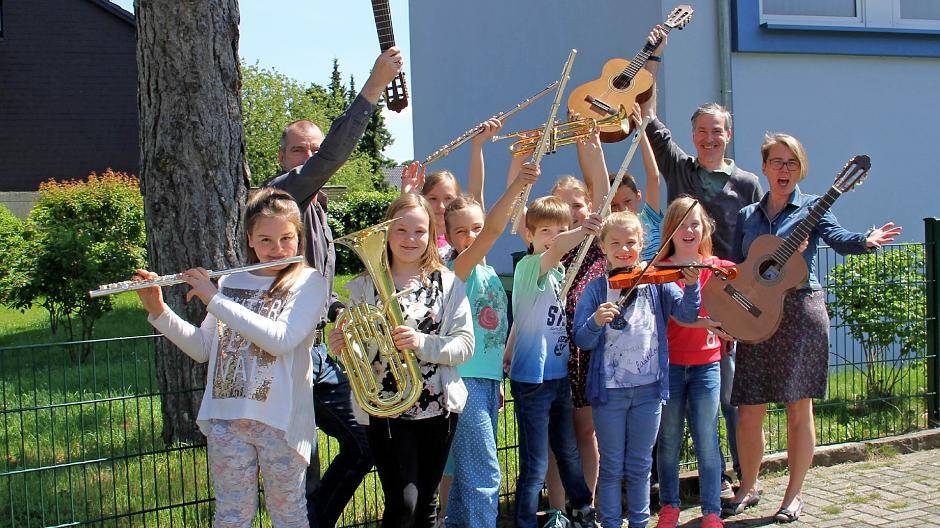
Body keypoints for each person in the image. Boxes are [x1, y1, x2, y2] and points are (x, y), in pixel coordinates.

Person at [725, 133, 901, 522]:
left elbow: (839, 239)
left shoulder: (813, 209)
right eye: (776, 161)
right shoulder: (747, 215)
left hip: (801, 312)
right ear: (765, 167)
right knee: (749, 410)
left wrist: (865, 240)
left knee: (797, 408)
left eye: (791, 162)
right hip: (755, 313)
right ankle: (748, 486)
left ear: (800, 168)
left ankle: (793, 497)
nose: (783, 169)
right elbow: (739, 267)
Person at [265, 48, 403, 528]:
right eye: (299, 151)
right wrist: (371, 88)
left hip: (322, 351)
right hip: (290, 355)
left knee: (351, 446)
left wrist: (353, 308)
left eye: (313, 149)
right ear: (283, 159)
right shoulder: (282, 197)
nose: (308, 158)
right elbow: (332, 157)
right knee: (314, 458)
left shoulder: (318, 210)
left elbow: (318, 285)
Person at [134, 188, 329, 527]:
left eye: (286, 238)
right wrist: (159, 310)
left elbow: (280, 340)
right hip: (226, 418)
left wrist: (215, 300)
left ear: (299, 237)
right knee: (231, 516)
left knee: (289, 515)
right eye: (266, 240)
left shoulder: (308, 282)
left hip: (280, 422)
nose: (277, 249)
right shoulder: (232, 281)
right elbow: (203, 348)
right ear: (251, 240)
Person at [640, 26, 761, 493]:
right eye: (702, 131)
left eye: (717, 131)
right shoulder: (678, 166)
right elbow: (646, 111)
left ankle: (735, 477)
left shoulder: (747, 183)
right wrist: (655, 54)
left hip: (726, 294)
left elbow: (752, 245)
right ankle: (655, 483)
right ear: (692, 134)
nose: (709, 138)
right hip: (675, 291)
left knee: (727, 393)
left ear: (728, 135)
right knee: (666, 386)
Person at [329, 192, 475, 528]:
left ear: (430, 235)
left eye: (419, 231)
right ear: (386, 234)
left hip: (437, 407)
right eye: (401, 230)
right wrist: (344, 344)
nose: (411, 239)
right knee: (403, 503)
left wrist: (422, 342)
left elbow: (465, 345)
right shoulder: (365, 287)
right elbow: (360, 343)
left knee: (426, 503)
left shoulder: (448, 284)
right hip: (386, 408)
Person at [572, 211, 700, 528]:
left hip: (649, 390)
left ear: (642, 243)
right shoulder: (595, 290)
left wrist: (692, 286)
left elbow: (685, 314)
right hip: (610, 393)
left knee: (641, 465)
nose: (624, 249)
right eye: (615, 243)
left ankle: (641, 523)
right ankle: (612, 522)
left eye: (630, 242)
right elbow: (582, 340)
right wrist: (595, 321)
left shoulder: (655, 282)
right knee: (612, 465)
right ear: (602, 246)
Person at [440, 142, 539, 527]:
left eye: (475, 229)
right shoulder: (456, 269)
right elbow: (496, 224)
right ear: (448, 237)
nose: (471, 236)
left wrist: (479, 148)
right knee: (485, 473)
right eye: (461, 231)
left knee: (469, 475)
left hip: (484, 380)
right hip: (464, 382)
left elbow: (493, 333)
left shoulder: (485, 272)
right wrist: (518, 186)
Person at [509, 195, 602, 528]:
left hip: (558, 376)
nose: (553, 236)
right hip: (532, 380)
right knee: (534, 465)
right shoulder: (529, 266)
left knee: (567, 452)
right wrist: (579, 231)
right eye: (545, 230)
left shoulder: (562, 271)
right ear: (529, 235)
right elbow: (558, 247)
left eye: (559, 229)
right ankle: (524, 521)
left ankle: (582, 508)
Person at [653, 197, 733, 528]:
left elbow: (738, 305)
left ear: (705, 229)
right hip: (670, 365)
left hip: (707, 365)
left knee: (707, 438)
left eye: (695, 224)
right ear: (670, 229)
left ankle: (711, 511)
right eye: (682, 224)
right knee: (668, 439)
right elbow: (673, 315)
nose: (689, 230)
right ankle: (669, 506)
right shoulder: (658, 270)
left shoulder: (718, 267)